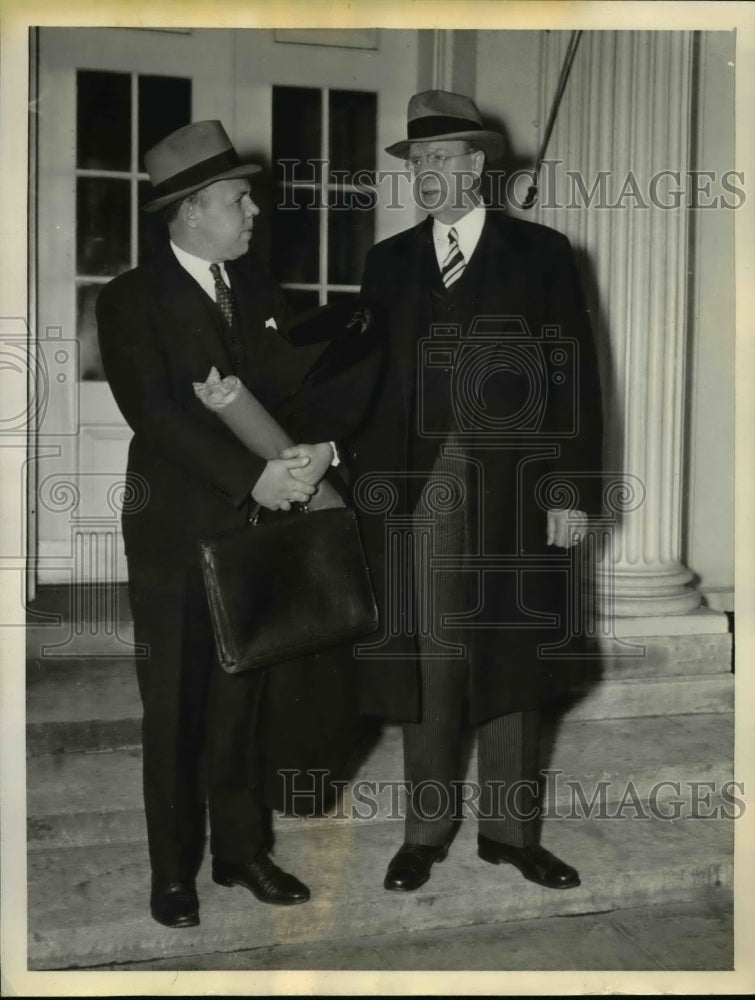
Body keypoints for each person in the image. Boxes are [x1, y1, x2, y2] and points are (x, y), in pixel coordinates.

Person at [96, 120, 377, 928]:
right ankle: (173, 872)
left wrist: (318, 448)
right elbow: (154, 415)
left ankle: (242, 852)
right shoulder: (130, 298)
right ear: (189, 212)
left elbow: (290, 387)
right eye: (237, 199)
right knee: (176, 707)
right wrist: (252, 474)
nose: (252, 211)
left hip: (258, 530)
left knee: (244, 698)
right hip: (176, 538)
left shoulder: (253, 289)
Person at [351, 91, 603, 892]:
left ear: (475, 166)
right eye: (415, 162)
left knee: (512, 650)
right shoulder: (385, 264)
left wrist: (570, 490)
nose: (424, 174)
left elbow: (575, 378)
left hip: (518, 491)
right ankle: (424, 830)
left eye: (438, 160)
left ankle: (509, 833)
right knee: (430, 656)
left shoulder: (541, 254)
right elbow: (359, 382)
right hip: (419, 489)